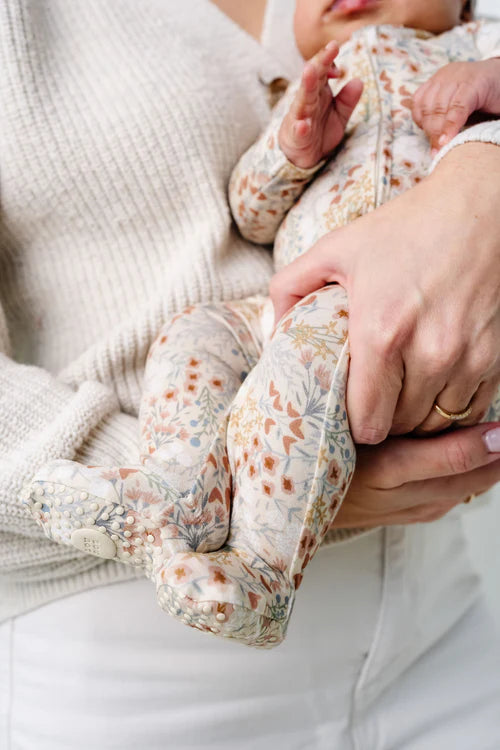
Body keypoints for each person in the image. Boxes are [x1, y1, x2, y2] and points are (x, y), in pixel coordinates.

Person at [1, 0, 500, 746]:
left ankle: (258, 576)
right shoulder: (323, 87)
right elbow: (252, 213)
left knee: (307, 359)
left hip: (438, 624)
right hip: (140, 675)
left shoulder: (479, 40)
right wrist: (293, 150)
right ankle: (185, 493)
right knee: (194, 335)